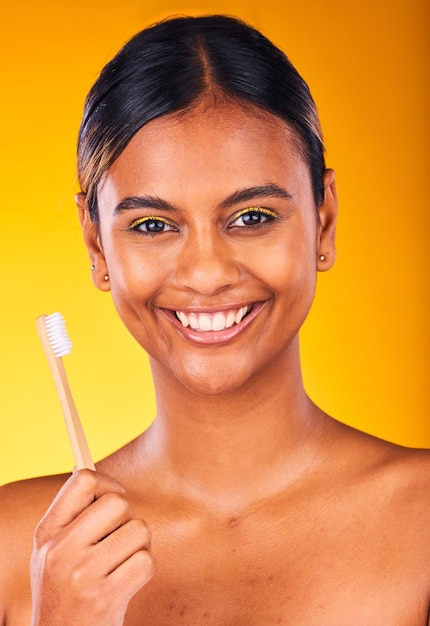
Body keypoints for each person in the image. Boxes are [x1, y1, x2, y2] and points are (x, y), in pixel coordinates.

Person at [0, 14, 429, 625]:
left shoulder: (423, 524)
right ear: (96, 245)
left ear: (324, 221)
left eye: (252, 217)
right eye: (154, 226)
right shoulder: (16, 550)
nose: (205, 273)